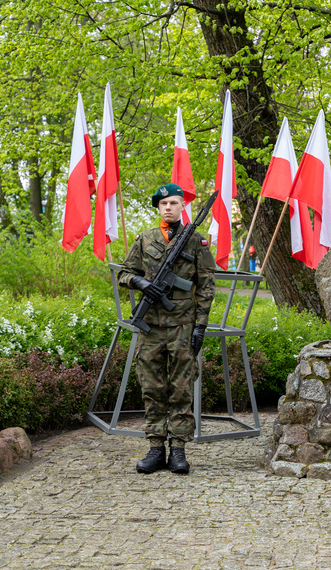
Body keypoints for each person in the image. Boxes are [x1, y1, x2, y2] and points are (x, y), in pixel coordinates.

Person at [118, 183, 216, 475]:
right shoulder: (145, 240)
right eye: (164, 204)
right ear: (158, 208)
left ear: (182, 206)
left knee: (182, 389)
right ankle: (155, 448)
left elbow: (206, 287)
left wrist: (200, 326)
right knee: (152, 387)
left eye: (174, 203)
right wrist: (140, 283)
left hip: (183, 327)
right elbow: (125, 272)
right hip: (151, 329)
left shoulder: (196, 242)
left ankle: (179, 450)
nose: (169, 208)